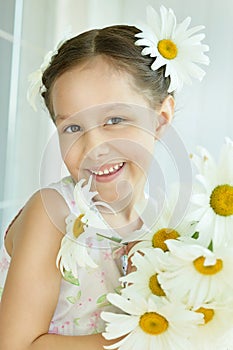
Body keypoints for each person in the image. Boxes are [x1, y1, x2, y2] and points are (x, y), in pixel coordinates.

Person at [0, 6, 208, 350]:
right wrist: (146, 336)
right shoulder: (53, 213)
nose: (94, 147)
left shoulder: (160, 223)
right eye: (73, 127)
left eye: (114, 120)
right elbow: (14, 344)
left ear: (160, 118)